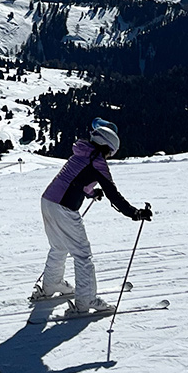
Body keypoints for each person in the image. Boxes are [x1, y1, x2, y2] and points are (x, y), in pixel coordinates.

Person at [34, 118, 153, 315]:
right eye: (109, 152)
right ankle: (86, 300)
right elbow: (113, 194)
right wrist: (134, 213)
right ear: (106, 146)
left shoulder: (82, 153)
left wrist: (90, 192)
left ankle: (51, 285)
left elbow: (74, 179)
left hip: (48, 201)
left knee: (59, 247)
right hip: (64, 208)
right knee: (82, 255)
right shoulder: (97, 161)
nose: (108, 156)